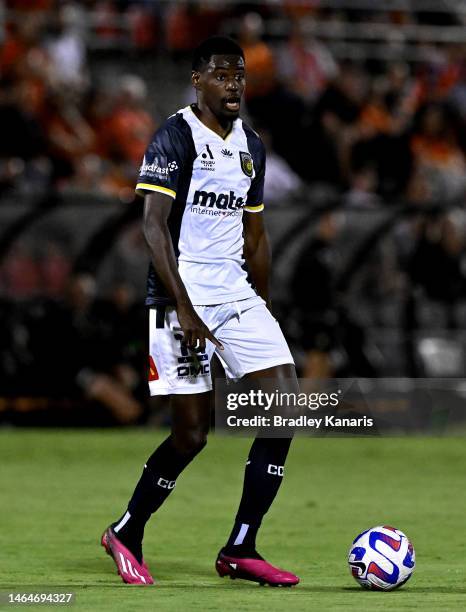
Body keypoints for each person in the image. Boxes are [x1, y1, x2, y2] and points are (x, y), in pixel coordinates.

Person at [101, 36, 300, 587]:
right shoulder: (174, 136)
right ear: (197, 80)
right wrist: (184, 308)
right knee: (191, 435)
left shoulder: (251, 146)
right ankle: (127, 530)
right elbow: (152, 227)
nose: (233, 83)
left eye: (239, 74)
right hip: (177, 296)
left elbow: (254, 233)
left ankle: (241, 546)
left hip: (234, 295)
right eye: (220, 73)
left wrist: (261, 300)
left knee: (286, 405)